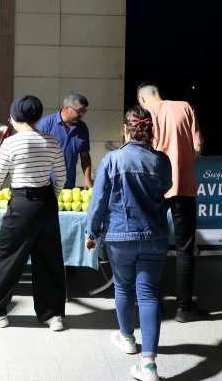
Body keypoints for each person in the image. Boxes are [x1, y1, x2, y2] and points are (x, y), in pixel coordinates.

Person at [85, 105, 173, 381]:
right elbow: (166, 191)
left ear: (126, 129)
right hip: (155, 236)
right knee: (148, 294)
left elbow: (98, 201)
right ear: (149, 130)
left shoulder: (113, 160)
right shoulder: (162, 161)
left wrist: (92, 233)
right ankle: (148, 364)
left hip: (120, 236)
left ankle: (127, 338)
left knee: (123, 287)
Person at [0, 95, 68, 331]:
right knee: (49, 259)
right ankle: (52, 315)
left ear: (16, 117)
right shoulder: (51, 140)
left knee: (10, 257)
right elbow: (62, 176)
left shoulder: (11, 143)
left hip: (22, 202)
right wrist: (51, 198)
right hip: (46, 203)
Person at [137, 81, 209, 323]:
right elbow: (198, 146)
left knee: (151, 248)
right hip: (182, 187)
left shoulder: (142, 115)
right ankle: (183, 308)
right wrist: (182, 164)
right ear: (159, 93)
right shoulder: (184, 107)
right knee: (185, 249)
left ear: (142, 99)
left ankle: (153, 305)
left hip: (152, 190)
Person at [36, 91, 93, 189]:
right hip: (45, 185)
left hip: (68, 185)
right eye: (80, 111)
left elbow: (84, 155)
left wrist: (87, 177)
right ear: (67, 109)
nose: (82, 114)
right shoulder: (46, 124)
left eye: (84, 111)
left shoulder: (82, 128)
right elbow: (34, 153)